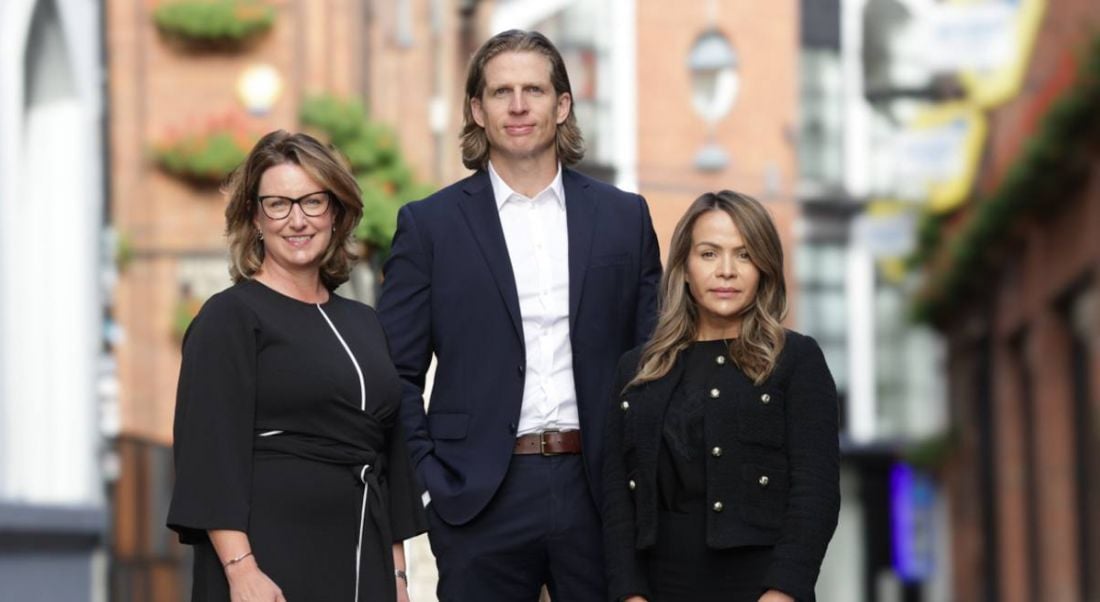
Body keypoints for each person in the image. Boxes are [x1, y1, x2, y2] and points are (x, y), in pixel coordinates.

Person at [377, 29, 662, 601]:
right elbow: (395, 372)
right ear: (477, 111)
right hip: (477, 496)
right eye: (501, 91)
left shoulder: (623, 218)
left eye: (534, 89)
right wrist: (432, 483)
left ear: (562, 105)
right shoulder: (429, 227)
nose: (518, 105)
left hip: (599, 491)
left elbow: (652, 362)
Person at [167, 130, 426, 602]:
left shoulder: (365, 323)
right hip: (270, 562)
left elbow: (390, 461)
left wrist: (398, 580)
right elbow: (208, 455)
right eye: (278, 205)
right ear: (255, 217)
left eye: (311, 202)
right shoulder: (230, 317)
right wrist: (242, 572)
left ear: (336, 211)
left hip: (361, 558)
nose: (297, 220)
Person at [602, 191, 840, 602]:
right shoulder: (637, 368)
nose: (726, 271)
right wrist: (628, 592)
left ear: (764, 269)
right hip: (660, 586)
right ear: (685, 267)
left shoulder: (796, 359)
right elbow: (615, 497)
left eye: (744, 255)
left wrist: (783, 591)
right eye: (709, 254)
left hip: (759, 587)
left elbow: (816, 492)